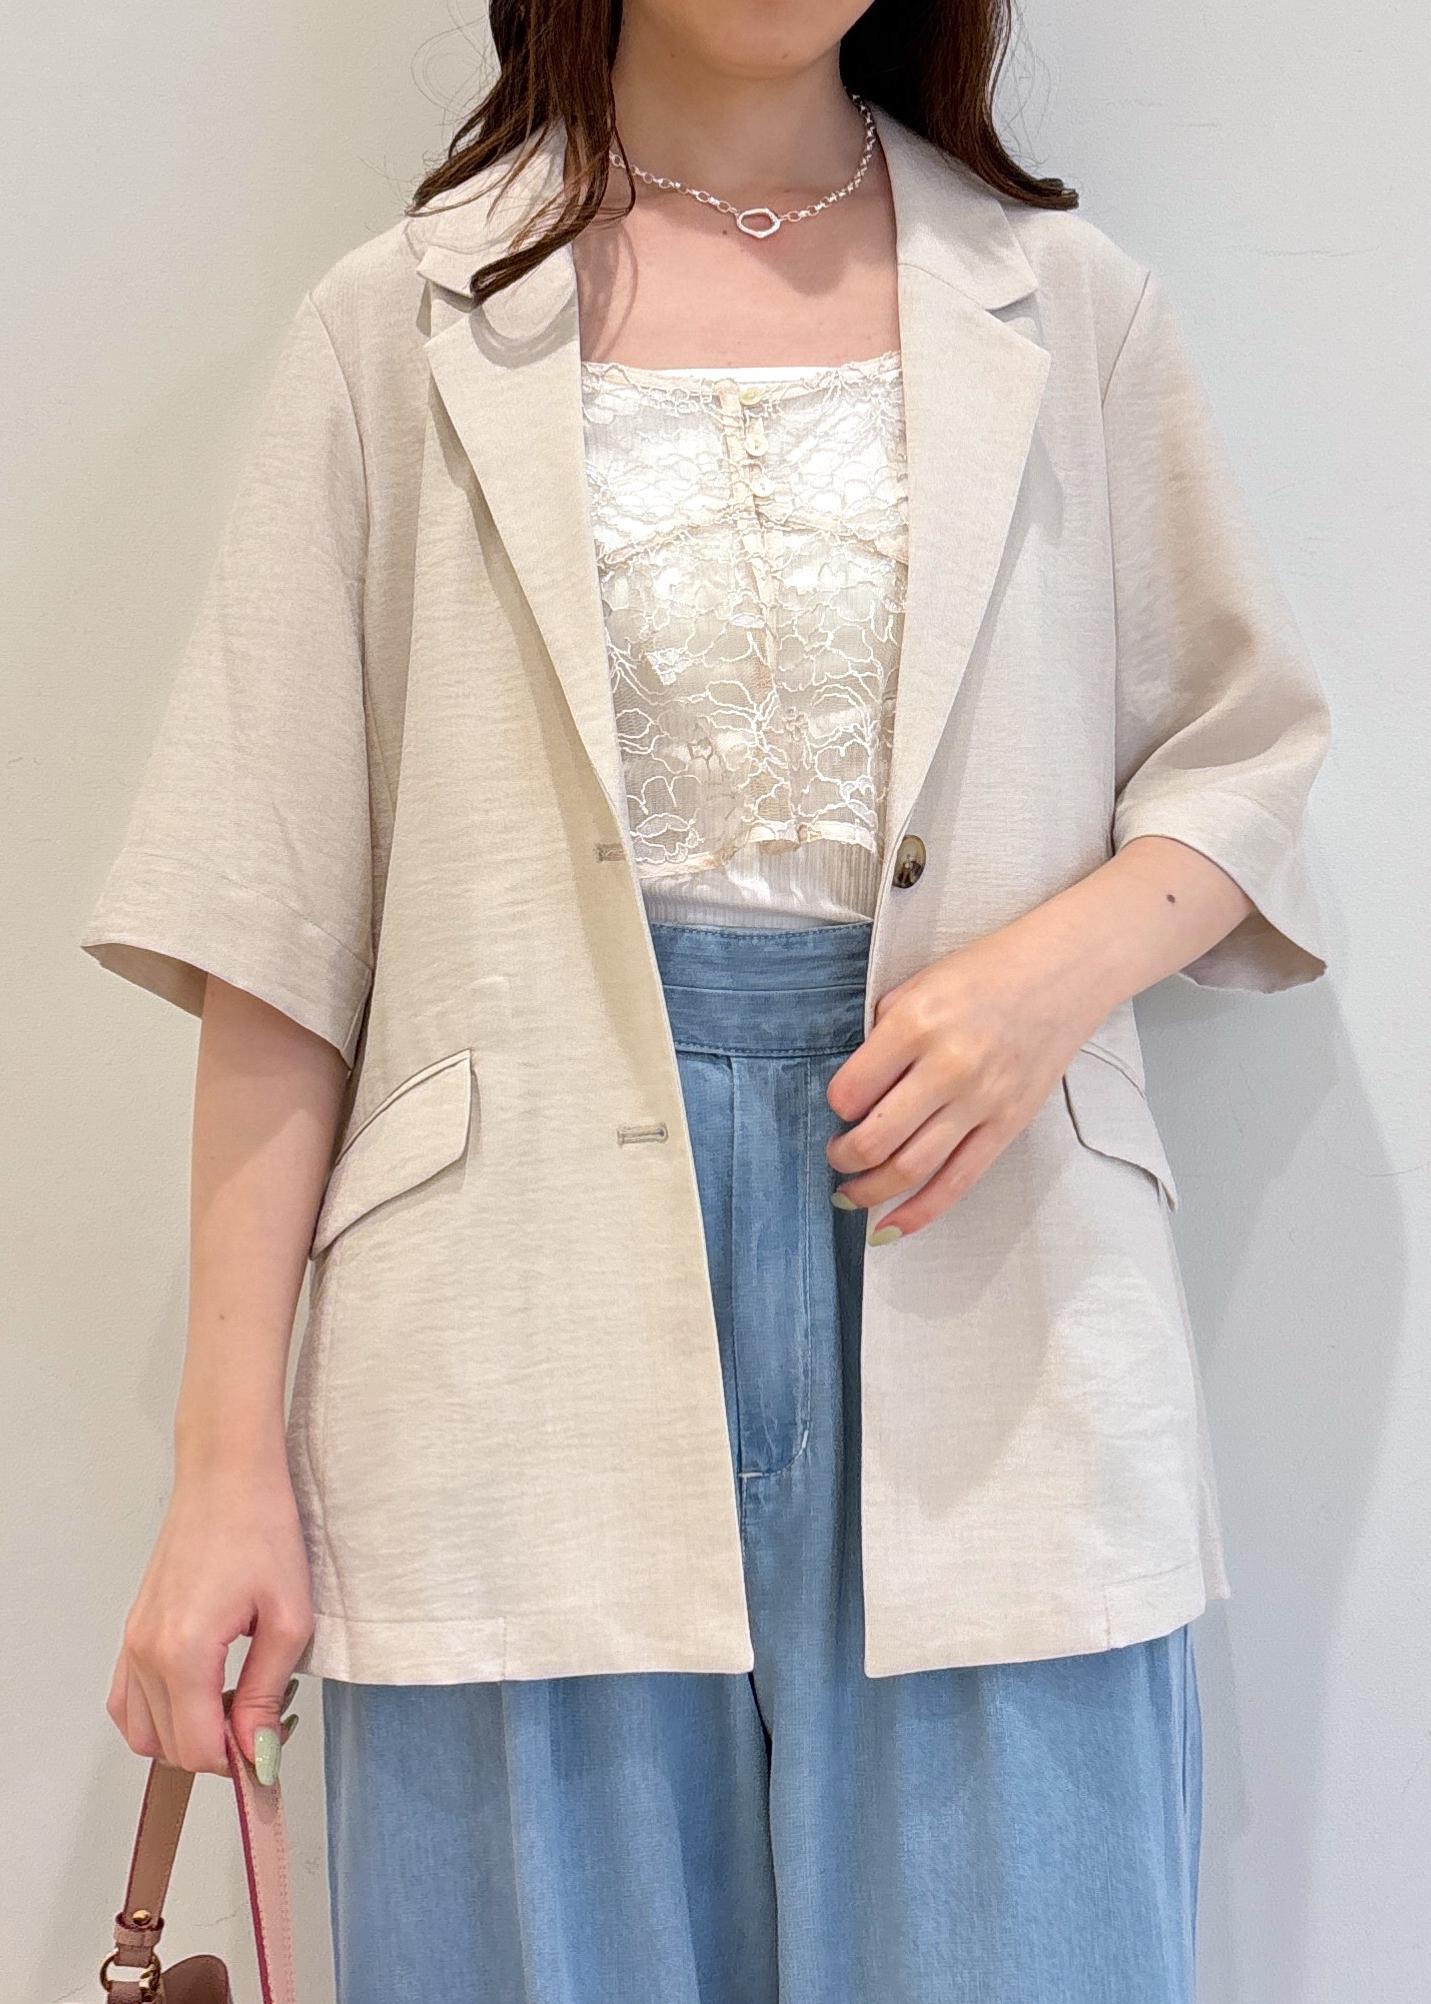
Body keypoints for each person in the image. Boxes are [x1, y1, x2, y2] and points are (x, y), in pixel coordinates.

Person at [80, 3, 1333, 1999]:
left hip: (987, 1281)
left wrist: (1050, 975)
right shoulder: (394, 330)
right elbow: (275, 930)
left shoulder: (1065, 306)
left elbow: (1239, 763)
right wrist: (222, 1476)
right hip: (511, 1337)